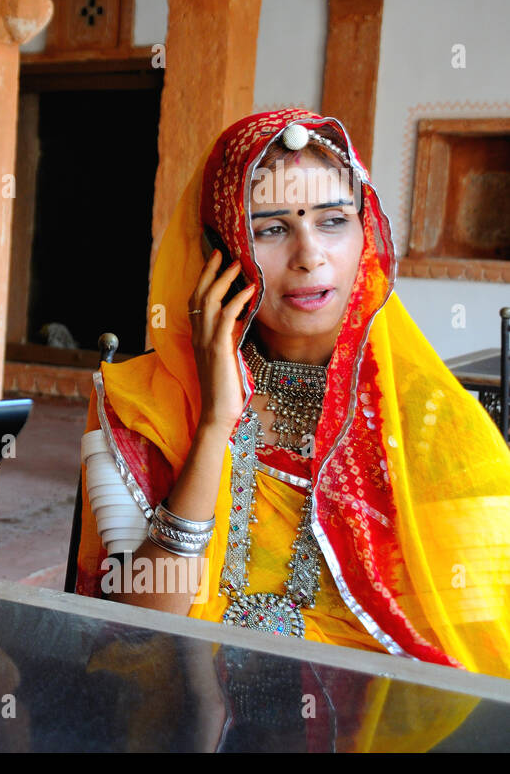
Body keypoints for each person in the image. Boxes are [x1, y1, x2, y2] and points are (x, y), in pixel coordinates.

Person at [76, 107, 510, 680]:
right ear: (220, 253)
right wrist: (214, 426)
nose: (310, 255)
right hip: (186, 712)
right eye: (272, 229)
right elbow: (136, 633)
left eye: (333, 220)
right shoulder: (143, 405)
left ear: (367, 238)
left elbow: (475, 648)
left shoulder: (428, 423)